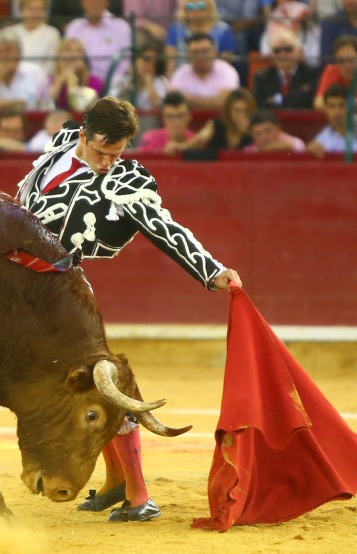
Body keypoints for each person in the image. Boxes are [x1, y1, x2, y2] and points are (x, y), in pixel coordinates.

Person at [15, 96, 242, 522]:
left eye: (116, 153)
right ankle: (116, 481)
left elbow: (166, 230)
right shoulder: (61, 142)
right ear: (84, 135)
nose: (107, 162)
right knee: (87, 384)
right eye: (102, 152)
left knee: (101, 384)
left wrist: (211, 271)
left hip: (66, 296)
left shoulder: (126, 180)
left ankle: (140, 496)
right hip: (23, 291)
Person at [0, 29, 50, 116]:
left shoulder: (35, 71)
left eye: (8, 50)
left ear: (20, 52)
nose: (3, 56)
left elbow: (41, 104)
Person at [64, 0, 133, 87]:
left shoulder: (121, 27)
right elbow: (65, 59)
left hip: (113, 86)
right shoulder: (74, 27)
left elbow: (125, 63)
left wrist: (107, 85)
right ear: (82, 2)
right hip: (79, 85)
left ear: (107, 2)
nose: (93, 2)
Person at [168, 32, 240, 110]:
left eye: (204, 51)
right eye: (195, 52)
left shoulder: (227, 71)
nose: (200, 56)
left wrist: (186, 98)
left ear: (214, 52)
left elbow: (224, 103)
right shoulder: (180, 73)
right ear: (188, 54)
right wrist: (212, 102)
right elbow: (174, 103)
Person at [164, 0, 235, 78]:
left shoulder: (223, 30)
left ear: (210, 8)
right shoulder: (176, 29)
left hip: (214, 78)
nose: (196, 10)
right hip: (182, 78)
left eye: (201, 6)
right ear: (185, 9)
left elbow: (225, 66)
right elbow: (170, 65)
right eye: (190, 6)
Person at [252, 29, 321, 109]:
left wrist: (277, 100)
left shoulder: (312, 74)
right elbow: (259, 105)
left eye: (288, 49)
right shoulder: (262, 77)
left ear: (299, 52)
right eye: (277, 51)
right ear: (272, 56)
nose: (283, 54)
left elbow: (309, 100)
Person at [2, 0, 61, 76]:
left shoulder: (52, 33)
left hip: (41, 79)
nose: (34, 13)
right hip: (13, 78)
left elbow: (51, 64)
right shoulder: (10, 32)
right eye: (30, 9)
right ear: (22, 11)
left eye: (38, 9)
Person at [187, 86, 256, 150]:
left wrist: (250, 132)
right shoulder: (215, 126)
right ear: (228, 111)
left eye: (246, 111)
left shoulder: (256, 128)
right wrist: (202, 138)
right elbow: (193, 144)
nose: (242, 115)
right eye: (237, 111)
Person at [47, 37, 103, 112]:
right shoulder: (49, 80)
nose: (73, 54)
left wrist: (71, 78)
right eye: (68, 50)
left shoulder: (94, 81)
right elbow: (46, 106)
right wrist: (59, 81)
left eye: (79, 50)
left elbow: (79, 109)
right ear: (59, 55)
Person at [114, 40, 170, 110]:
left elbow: (158, 107)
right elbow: (115, 106)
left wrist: (149, 84)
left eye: (155, 63)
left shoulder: (161, 82)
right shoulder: (121, 80)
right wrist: (132, 80)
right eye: (146, 59)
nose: (150, 65)